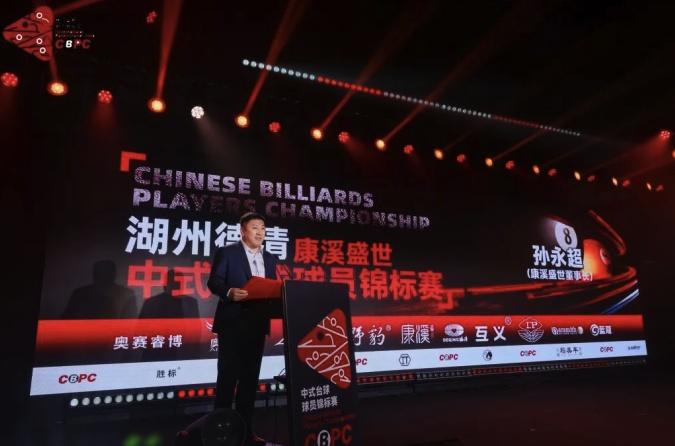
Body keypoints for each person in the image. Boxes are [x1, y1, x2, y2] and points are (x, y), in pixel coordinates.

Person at [207, 212, 278, 446]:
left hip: (257, 326)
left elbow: (271, 288)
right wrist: (229, 292)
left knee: (249, 382)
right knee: (227, 380)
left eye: (263, 228)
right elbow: (214, 281)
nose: (260, 232)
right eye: (255, 227)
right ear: (243, 231)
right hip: (232, 325)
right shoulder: (228, 253)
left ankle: (246, 433)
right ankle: (221, 434)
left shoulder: (270, 258)